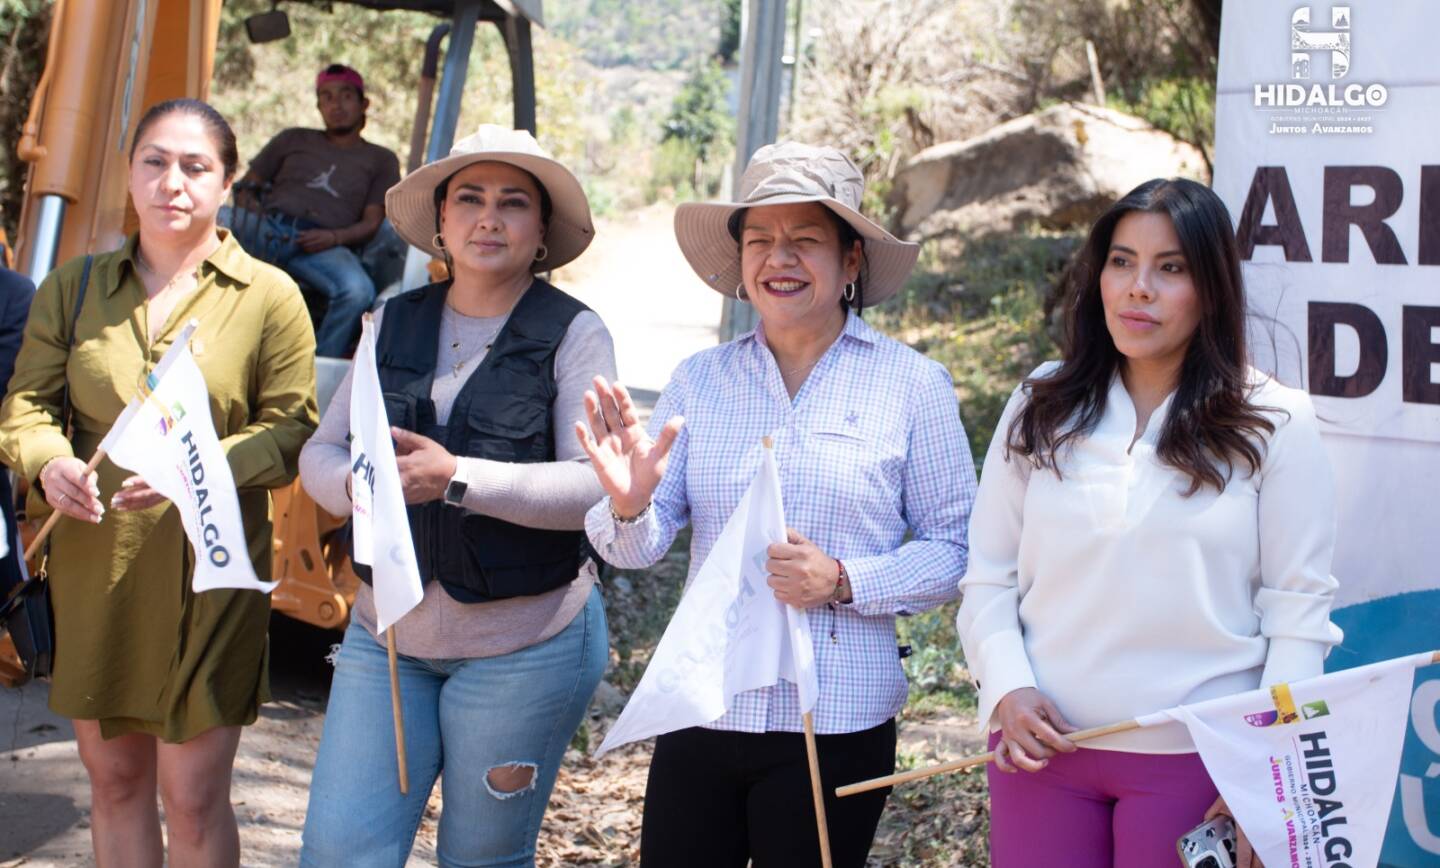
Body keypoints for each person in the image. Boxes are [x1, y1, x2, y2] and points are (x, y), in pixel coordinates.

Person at [577, 142, 975, 867]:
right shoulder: (701, 380)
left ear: (851, 260)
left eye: (805, 240)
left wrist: (845, 580)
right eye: (759, 239)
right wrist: (630, 505)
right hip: (705, 703)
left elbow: (958, 548)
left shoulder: (913, 385)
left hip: (837, 719)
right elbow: (638, 546)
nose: (778, 258)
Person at [956, 177, 1342, 868]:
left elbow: (1299, 618)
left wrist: (1265, 774)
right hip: (1041, 755)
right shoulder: (1041, 403)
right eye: (1121, 261)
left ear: (1212, 288)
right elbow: (988, 577)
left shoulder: (1277, 421)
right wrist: (1007, 688)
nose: (1139, 288)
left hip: (1202, 764)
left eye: (1171, 268)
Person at [0, 98, 318, 867]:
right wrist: (50, 461)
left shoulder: (269, 296)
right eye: (155, 161)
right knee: (114, 784)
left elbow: (291, 431)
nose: (172, 182)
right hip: (96, 567)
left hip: (213, 572)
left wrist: (196, 470)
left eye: (195, 166)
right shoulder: (74, 287)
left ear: (227, 182)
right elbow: (26, 406)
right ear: (129, 172)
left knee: (194, 795)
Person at [297, 124, 613, 867]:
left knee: (480, 858)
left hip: (524, 646)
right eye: (469, 199)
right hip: (387, 637)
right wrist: (358, 486)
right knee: (340, 852)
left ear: (542, 231)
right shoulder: (390, 321)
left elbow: (593, 486)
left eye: (513, 203)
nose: (488, 218)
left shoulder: (574, 333)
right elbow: (321, 451)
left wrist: (458, 478)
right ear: (441, 221)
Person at [229, 63, 403, 356]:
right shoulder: (293, 138)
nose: (336, 105)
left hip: (324, 247)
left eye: (346, 96)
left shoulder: (381, 159)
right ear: (319, 106)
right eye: (327, 97)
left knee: (358, 291)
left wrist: (333, 238)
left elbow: (372, 223)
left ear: (364, 104)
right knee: (214, 221)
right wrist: (257, 216)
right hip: (268, 230)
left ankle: (318, 367)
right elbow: (246, 187)